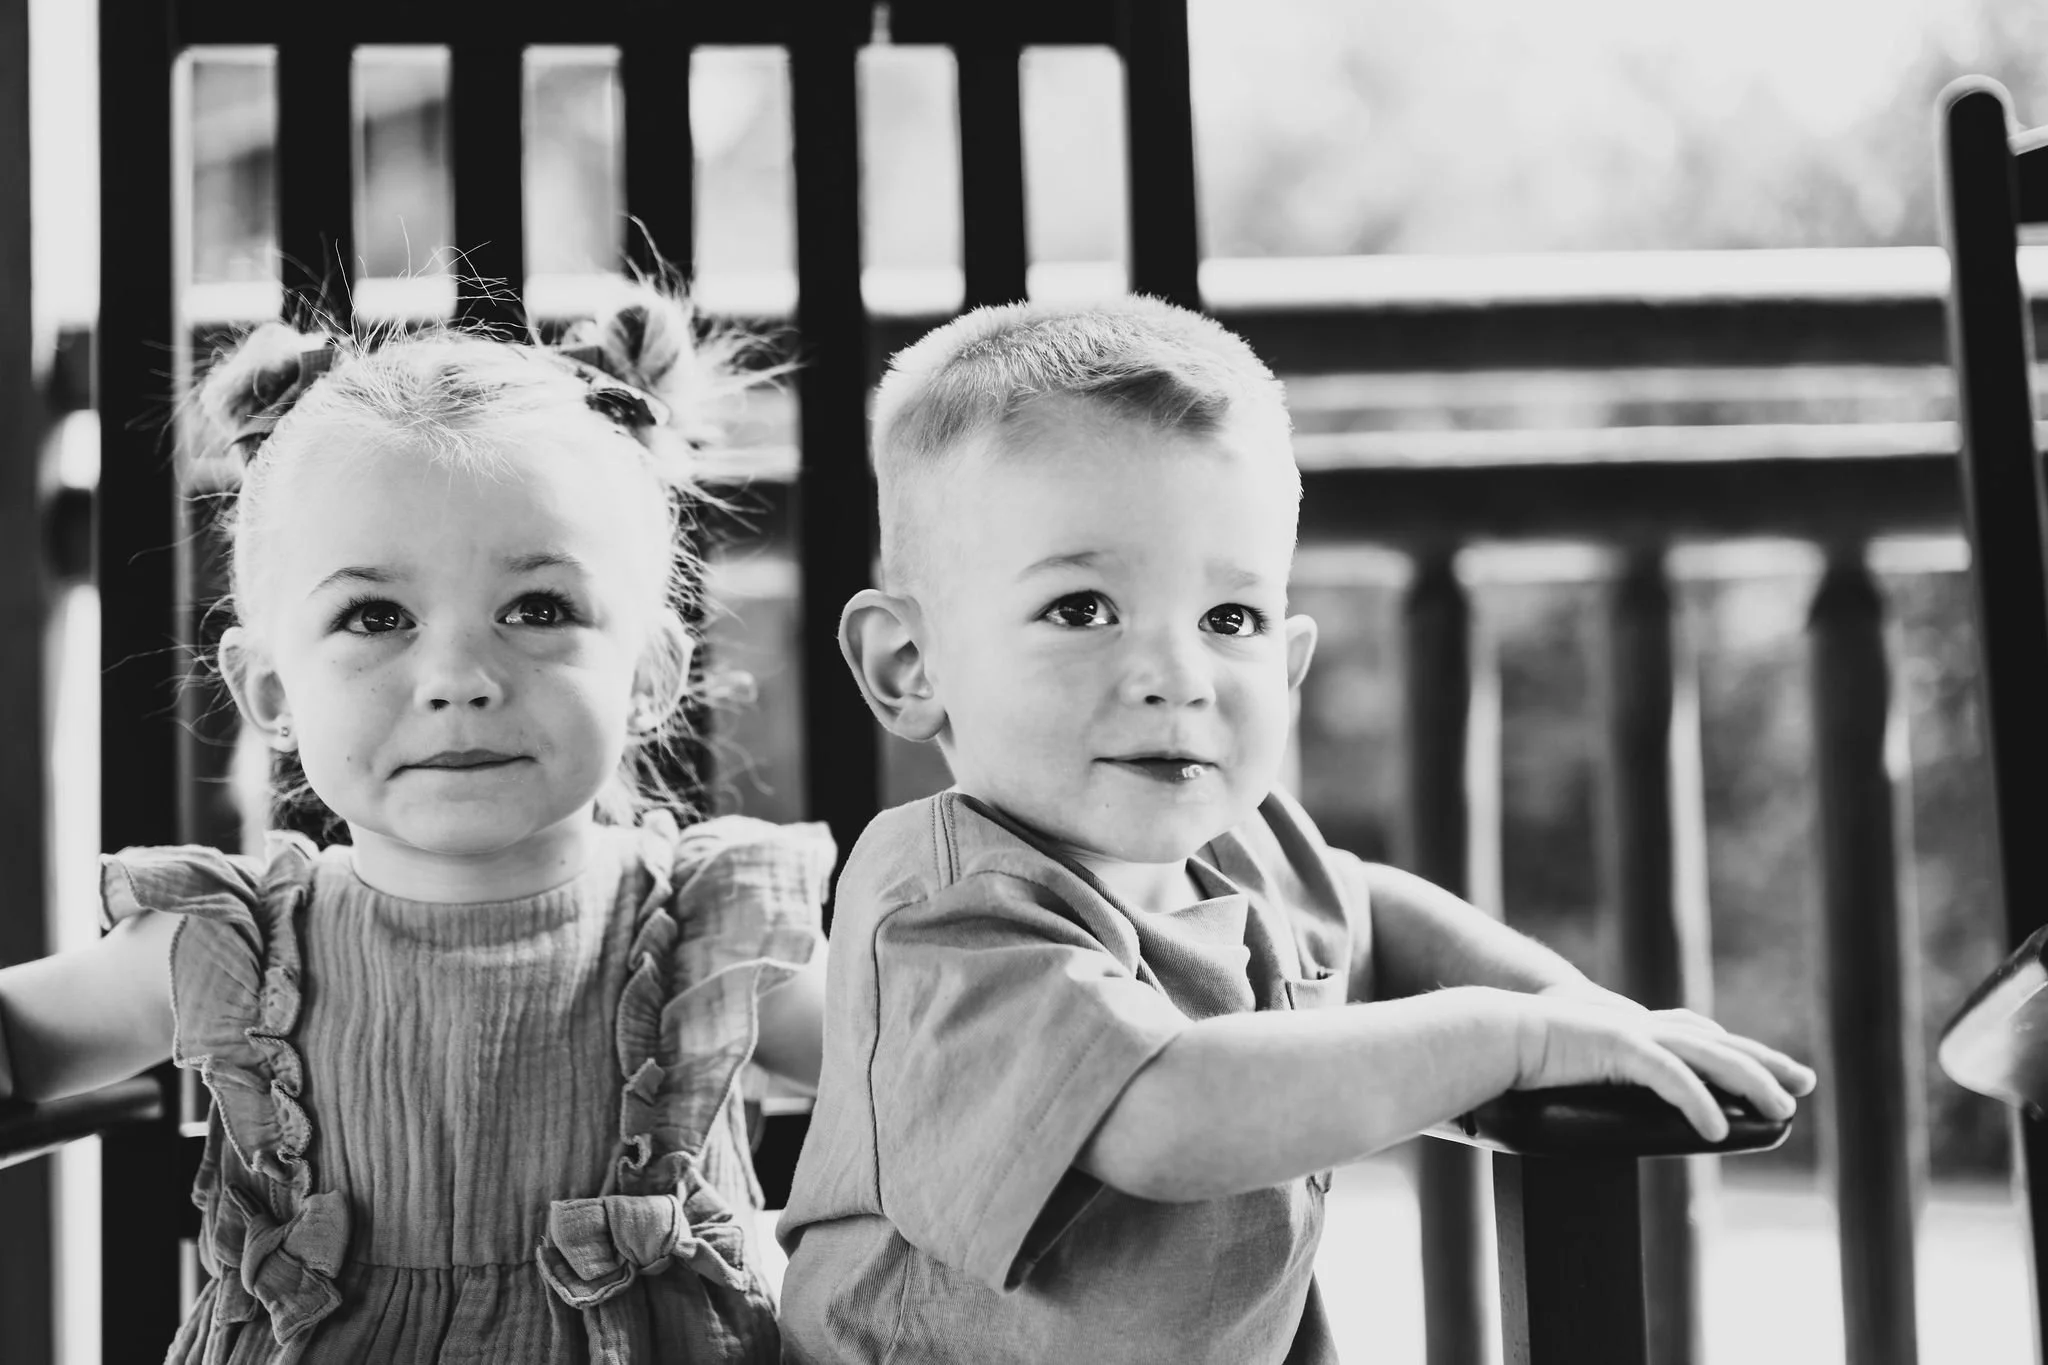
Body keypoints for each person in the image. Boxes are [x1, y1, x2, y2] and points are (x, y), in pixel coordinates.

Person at [775, 296, 1817, 1365]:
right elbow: (1165, 1112)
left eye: (1229, 620)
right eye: (1081, 608)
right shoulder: (942, 909)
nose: (1175, 677)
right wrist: (1508, 1040)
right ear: (909, 667)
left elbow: (1375, 916)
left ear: (1286, 664)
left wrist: (1571, 1006)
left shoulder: (1242, 856)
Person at [0, 287, 832, 1363]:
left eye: (537, 609)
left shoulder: (707, 946)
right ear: (268, 695)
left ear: (651, 674)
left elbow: (951, 1068)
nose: (458, 677)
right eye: (374, 617)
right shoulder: (233, 948)